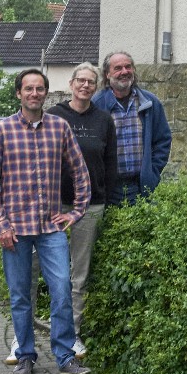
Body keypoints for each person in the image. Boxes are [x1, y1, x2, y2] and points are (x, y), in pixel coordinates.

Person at [0, 68, 92, 374]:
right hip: (14, 231)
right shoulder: (2, 131)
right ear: (19, 93)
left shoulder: (59, 127)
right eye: (28, 89)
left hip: (50, 229)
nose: (34, 93)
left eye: (39, 88)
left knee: (60, 291)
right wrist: (0, 225)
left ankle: (65, 356)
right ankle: (26, 355)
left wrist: (74, 213)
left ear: (46, 93)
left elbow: (80, 173)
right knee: (19, 296)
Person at [48, 62, 118, 356]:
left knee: (80, 273)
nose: (86, 86)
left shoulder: (104, 120)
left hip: (90, 205)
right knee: (45, 269)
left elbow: (110, 165)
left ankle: (72, 334)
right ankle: (28, 331)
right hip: (54, 204)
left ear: (96, 86)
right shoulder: (54, 116)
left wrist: (111, 201)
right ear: (71, 83)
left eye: (91, 82)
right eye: (81, 81)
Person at [92, 51, 172, 205]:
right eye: (118, 68)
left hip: (140, 187)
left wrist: (152, 173)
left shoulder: (149, 102)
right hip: (109, 189)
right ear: (107, 74)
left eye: (128, 67)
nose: (124, 72)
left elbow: (163, 141)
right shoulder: (97, 104)